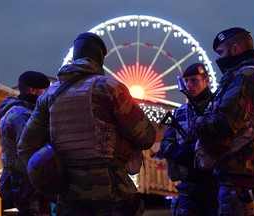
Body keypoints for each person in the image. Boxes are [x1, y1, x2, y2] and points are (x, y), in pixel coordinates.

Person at [17, 32, 156, 216]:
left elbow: (26, 146)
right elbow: (145, 137)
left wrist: (51, 182)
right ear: (99, 57)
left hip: (69, 197)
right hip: (112, 195)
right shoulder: (110, 88)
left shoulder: (49, 95)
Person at [193, 27, 254, 215]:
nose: (218, 59)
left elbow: (225, 123)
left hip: (241, 172)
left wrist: (198, 122)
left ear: (235, 50)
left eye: (220, 52)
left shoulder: (245, 77)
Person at [159, 63, 218, 216]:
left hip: (217, 183)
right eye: (186, 81)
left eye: (194, 80)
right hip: (190, 185)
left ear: (207, 80)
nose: (189, 85)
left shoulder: (219, 108)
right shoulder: (179, 113)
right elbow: (165, 143)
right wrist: (178, 151)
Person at [0, 71, 51, 216]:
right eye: (44, 90)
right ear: (33, 90)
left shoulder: (12, 111)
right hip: (27, 182)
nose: (46, 95)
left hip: (18, 181)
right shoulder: (23, 115)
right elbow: (32, 150)